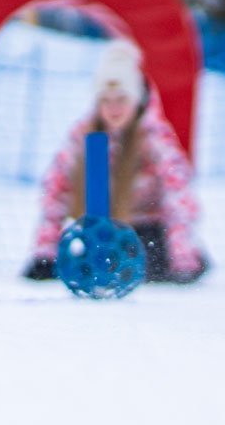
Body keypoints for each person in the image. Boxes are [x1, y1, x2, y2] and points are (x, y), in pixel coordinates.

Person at [23, 40, 210, 284]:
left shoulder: (153, 138)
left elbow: (179, 194)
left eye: (122, 99)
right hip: (97, 233)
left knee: (146, 263)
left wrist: (182, 255)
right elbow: (56, 190)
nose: (114, 108)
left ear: (136, 100)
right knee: (85, 262)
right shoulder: (83, 136)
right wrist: (45, 253)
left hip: (145, 231)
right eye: (106, 100)